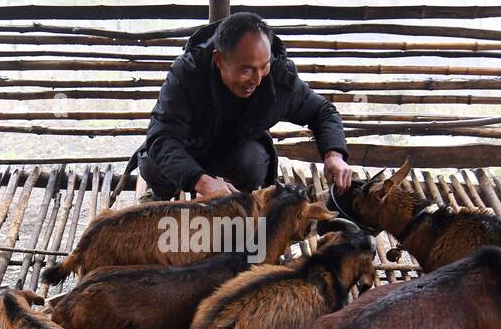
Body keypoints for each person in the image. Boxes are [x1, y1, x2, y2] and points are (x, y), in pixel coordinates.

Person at [135, 12, 352, 199]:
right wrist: (202, 181)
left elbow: (322, 111)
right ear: (219, 60)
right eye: (246, 70)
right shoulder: (188, 73)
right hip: (189, 147)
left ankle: (239, 207)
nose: (257, 80)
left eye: (263, 66)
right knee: (153, 164)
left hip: (235, 154)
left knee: (253, 162)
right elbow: (162, 138)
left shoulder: (278, 76)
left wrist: (334, 154)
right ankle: (159, 197)